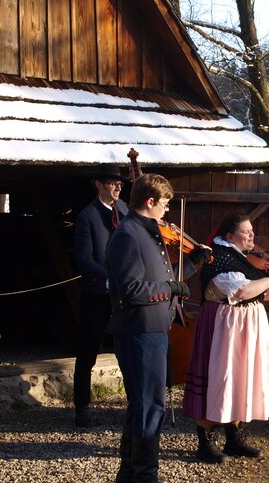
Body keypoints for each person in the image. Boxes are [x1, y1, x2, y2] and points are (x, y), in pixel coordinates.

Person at [183, 212, 269, 462]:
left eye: (252, 230)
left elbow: (259, 295)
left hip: (244, 326)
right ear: (230, 236)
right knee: (220, 378)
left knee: (241, 378)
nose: (252, 235)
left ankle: (234, 438)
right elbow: (241, 291)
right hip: (225, 326)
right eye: (246, 231)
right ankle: (205, 441)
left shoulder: (241, 259)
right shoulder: (218, 257)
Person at [106, 173, 209, 482]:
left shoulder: (147, 232)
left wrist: (194, 264)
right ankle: (145, 474)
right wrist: (171, 288)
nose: (167, 211)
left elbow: (164, 276)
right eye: (164, 204)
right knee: (150, 406)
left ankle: (130, 473)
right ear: (150, 202)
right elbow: (132, 289)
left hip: (151, 330)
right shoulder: (127, 235)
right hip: (138, 330)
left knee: (144, 404)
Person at [73, 163, 129, 428]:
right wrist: (109, 278)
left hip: (124, 291)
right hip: (97, 292)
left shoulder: (126, 211)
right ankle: (82, 407)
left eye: (120, 183)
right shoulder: (87, 216)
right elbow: (84, 259)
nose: (118, 186)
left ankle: (135, 404)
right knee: (88, 349)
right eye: (112, 182)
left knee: (127, 348)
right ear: (98, 184)